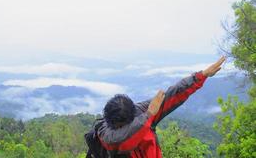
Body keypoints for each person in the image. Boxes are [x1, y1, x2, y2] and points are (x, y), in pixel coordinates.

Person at [85, 56, 226, 158]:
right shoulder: (105, 133)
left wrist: (200, 76)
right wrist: (148, 116)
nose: (119, 128)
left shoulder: (141, 112)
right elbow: (120, 140)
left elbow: (172, 95)